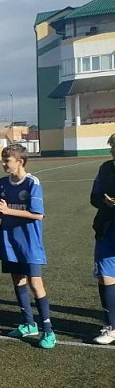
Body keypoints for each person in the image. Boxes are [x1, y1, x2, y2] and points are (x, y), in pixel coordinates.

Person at [0, 143, 55, 349]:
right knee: (18, 281)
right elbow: (0, 210)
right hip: (9, 240)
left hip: (29, 242)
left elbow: (38, 215)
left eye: (7, 161)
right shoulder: (2, 183)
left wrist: (8, 211)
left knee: (35, 283)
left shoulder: (32, 183)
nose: (3, 164)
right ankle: (29, 323)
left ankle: (48, 331)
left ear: (20, 162)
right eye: (3, 160)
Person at [91, 133, 115, 345]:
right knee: (105, 277)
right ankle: (112, 326)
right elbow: (94, 197)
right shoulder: (106, 168)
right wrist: (104, 201)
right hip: (107, 229)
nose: (113, 152)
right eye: (112, 148)